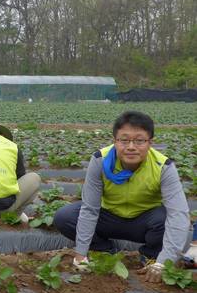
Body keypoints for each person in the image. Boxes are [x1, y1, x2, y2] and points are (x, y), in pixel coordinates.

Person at [54, 111, 191, 282]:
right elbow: (90, 208)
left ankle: (151, 257)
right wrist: (80, 254)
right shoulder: (99, 160)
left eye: (139, 140)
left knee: (173, 222)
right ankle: (104, 250)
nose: (131, 146)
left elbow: (178, 214)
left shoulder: (163, 167)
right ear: (115, 141)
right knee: (65, 216)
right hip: (108, 217)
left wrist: (165, 262)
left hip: (145, 222)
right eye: (124, 140)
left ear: (150, 143)